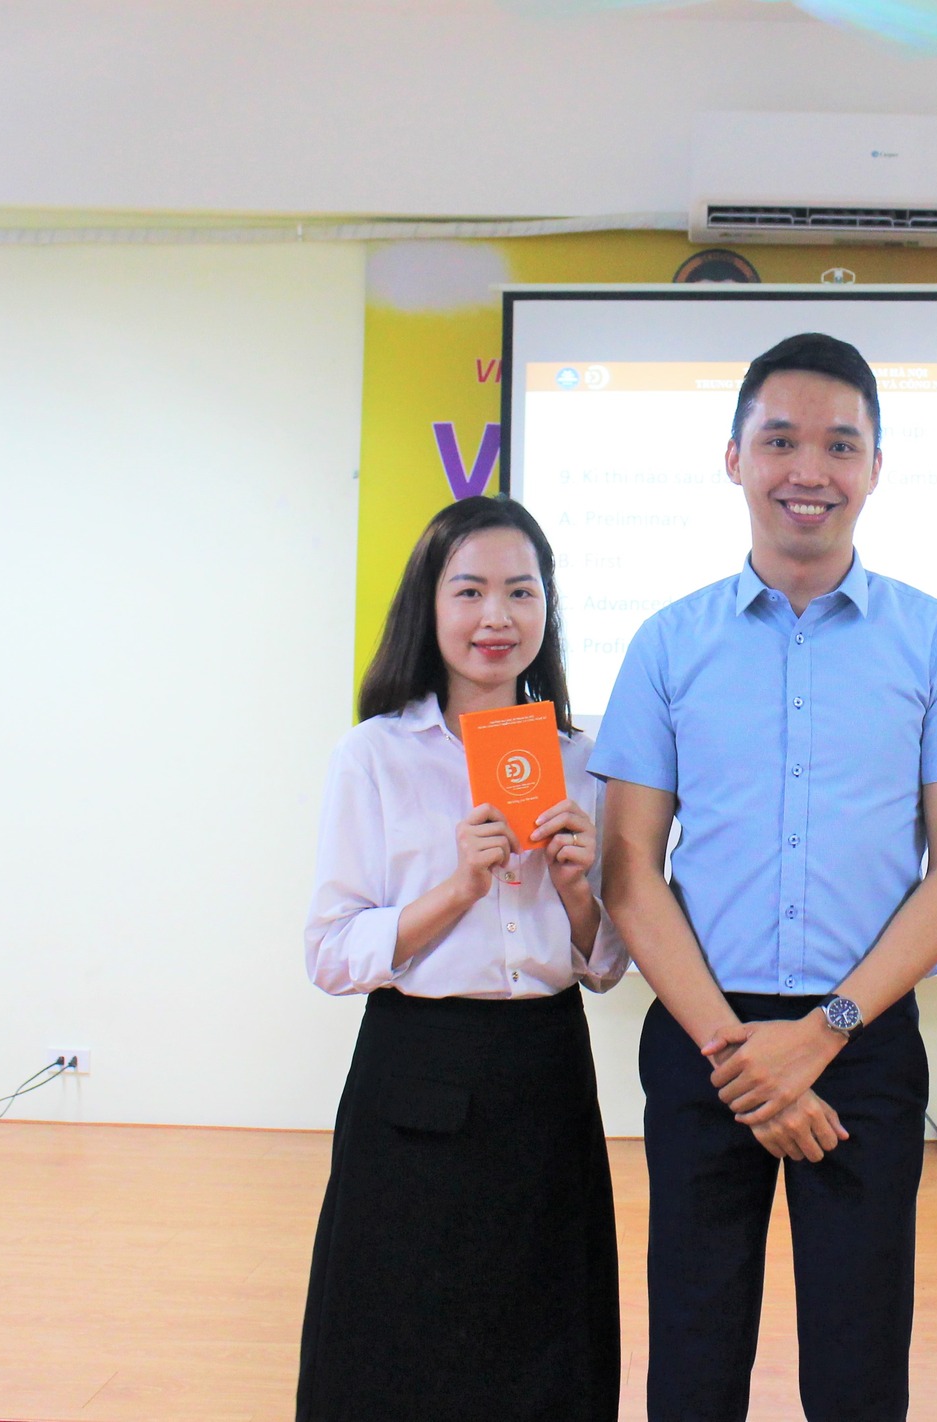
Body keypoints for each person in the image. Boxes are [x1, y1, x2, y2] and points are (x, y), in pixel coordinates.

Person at [595, 332, 937, 1422]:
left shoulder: (936, 642)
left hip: (862, 1045)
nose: (808, 470)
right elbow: (628, 871)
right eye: (779, 441)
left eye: (839, 445)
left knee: (858, 1365)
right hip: (703, 1040)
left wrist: (820, 1035)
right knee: (691, 1357)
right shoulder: (667, 644)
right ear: (734, 457)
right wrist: (738, 1056)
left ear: (876, 466)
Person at [297, 497, 626, 1422]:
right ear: (429, 605)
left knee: (548, 1333)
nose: (497, 617)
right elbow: (330, 952)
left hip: (546, 1069)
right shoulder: (374, 755)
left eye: (521, 592)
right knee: (399, 1335)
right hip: (417, 1066)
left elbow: (605, 965)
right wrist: (456, 889)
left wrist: (576, 890)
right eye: (470, 590)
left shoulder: (585, 762)